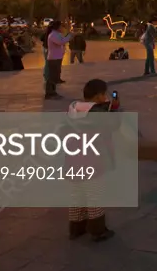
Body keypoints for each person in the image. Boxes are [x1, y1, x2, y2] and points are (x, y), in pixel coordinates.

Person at [66, 78, 119, 242]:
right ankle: (97, 230)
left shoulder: (73, 109)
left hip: (72, 161)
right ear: (98, 96)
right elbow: (113, 125)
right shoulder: (99, 113)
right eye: (104, 94)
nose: (106, 97)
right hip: (92, 161)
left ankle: (76, 229)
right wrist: (113, 109)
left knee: (76, 196)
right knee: (95, 196)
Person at [45, 20, 73, 99]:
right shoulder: (53, 35)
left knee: (55, 75)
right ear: (57, 27)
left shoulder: (57, 34)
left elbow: (63, 41)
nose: (62, 28)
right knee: (52, 76)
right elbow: (61, 42)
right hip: (53, 58)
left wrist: (67, 36)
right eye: (61, 26)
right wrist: (69, 36)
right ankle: (49, 93)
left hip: (57, 57)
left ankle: (53, 92)